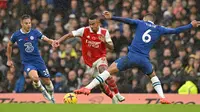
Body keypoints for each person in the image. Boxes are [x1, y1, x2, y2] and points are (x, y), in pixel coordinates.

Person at [74, 11, 200, 104]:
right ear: (153, 21)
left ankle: (88, 87)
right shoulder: (159, 29)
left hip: (131, 56)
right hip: (144, 59)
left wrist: (113, 17)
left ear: (145, 18)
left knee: (109, 70)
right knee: (153, 76)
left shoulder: (141, 22)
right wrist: (190, 25)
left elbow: (127, 20)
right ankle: (162, 97)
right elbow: (176, 30)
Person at [54, 14, 125, 104]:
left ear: (98, 23)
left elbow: (111, 48)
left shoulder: (104, 32)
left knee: (104, 71)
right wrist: (58, 41)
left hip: (100, 58)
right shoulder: (84, 30)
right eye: (90, 24)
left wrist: (105, 42)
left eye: (93, 24)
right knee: (101, 84)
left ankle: (117, 93)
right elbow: (69, 35)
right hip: (89, 62)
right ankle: (113, 97)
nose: (91, 26)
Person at [6, 14, 56, 103]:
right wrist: (9, 59)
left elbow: (44, 38)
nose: (29, 25)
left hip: (38, 61)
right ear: (21, 23)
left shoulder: (35, 32)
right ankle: (43, 90)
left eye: (29, 23)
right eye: (26, 23)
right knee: (35, 78)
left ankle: (51, 95)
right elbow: (9, 45)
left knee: (48, 83)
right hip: (28, 62)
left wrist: (51, 41)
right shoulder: (16, 35)